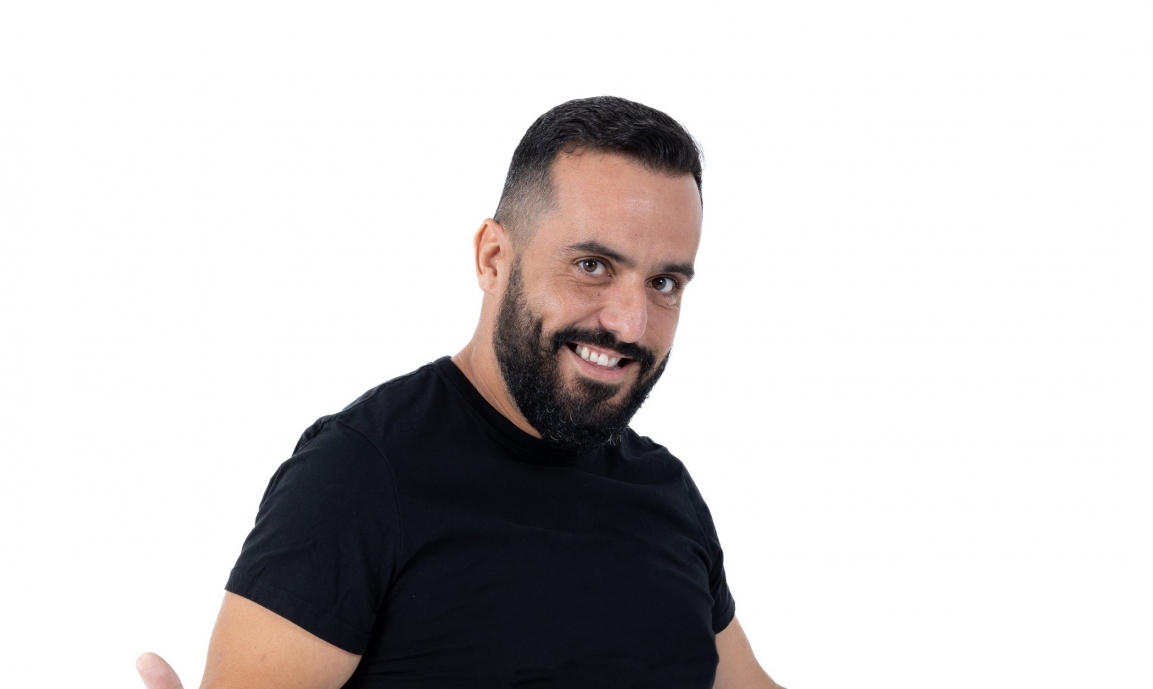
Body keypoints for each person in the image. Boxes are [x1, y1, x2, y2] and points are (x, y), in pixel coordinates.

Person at [136, 96, 783, 688]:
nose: (630, 323)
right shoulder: (358, 475)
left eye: (664, 283)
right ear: (493, 258)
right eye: (592, 266)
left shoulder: (667, 495)